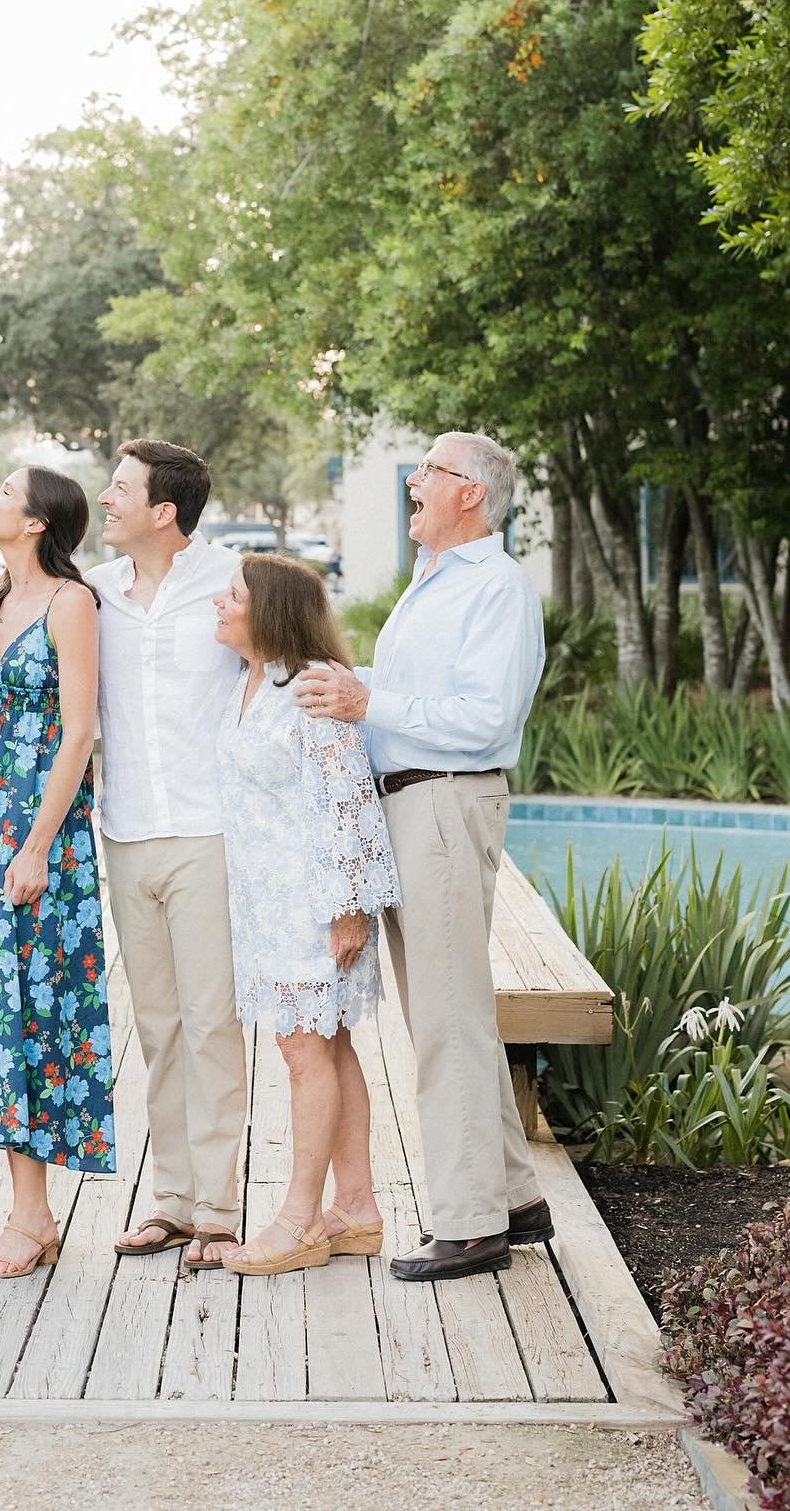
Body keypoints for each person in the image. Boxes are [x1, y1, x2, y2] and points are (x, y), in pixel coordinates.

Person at [296, 430, 550, 1283]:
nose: (414, 481)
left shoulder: (498, 589)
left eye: (430, 470)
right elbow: (418, 701)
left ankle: (471, 1224)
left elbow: (483, 719)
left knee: (447, 1019)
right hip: (411, 802)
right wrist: (346, 687)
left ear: (469, 493)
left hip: (445, 797)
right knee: (445, 1008)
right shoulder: (435, 582)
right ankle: (514, 1196)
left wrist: (367, 697)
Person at [0, 466, 113, 1279]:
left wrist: (40, 844)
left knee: (31, 1009)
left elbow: (77, 731)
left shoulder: (69, 603)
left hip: (35, 829)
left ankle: (32, 1215)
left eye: (4, 491)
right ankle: (26, 1208)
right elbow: (12, 715)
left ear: (38, 521)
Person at [212, 555, 400, 1276]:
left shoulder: (310, 685)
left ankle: (299, 1221)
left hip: (316, 901)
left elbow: (349, 799)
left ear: (271, 610)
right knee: (328, 1044)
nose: (220, 606)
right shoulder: (247, 683)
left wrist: (350, 910)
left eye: (232, 597)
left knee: (302, 1053)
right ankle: (356, 1208)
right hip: (266, 903)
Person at [88, 440, 247, 1269]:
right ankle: (173, 1203)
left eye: (120, 490)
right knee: (157, 1026)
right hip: (126, 832)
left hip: (211, 832)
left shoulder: (233, 581)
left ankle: (219, 1211)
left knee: (212, 1022)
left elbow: (282, 676)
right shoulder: (97, 591)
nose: (103, 500)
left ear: (164, 512)